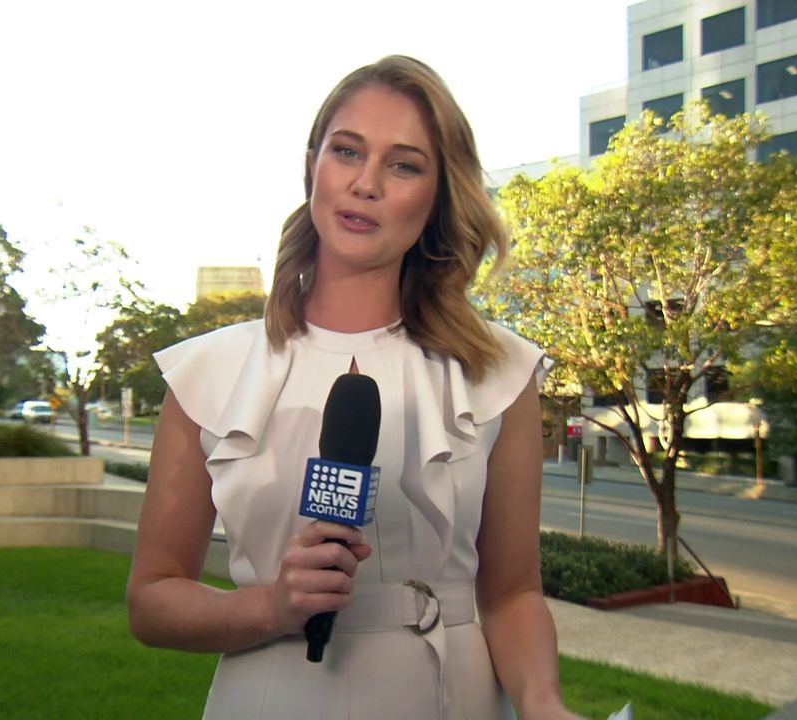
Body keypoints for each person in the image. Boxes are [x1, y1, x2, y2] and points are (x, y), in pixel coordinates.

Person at [127, 55, 580, 720]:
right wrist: (269, 607)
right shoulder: (210, 374)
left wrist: (544, 705)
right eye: (346, 151)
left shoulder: (497, 373)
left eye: (404, 165)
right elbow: (151, 600)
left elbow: (513, 594)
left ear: (437, 198)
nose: (365, 183)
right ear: (312, 164)